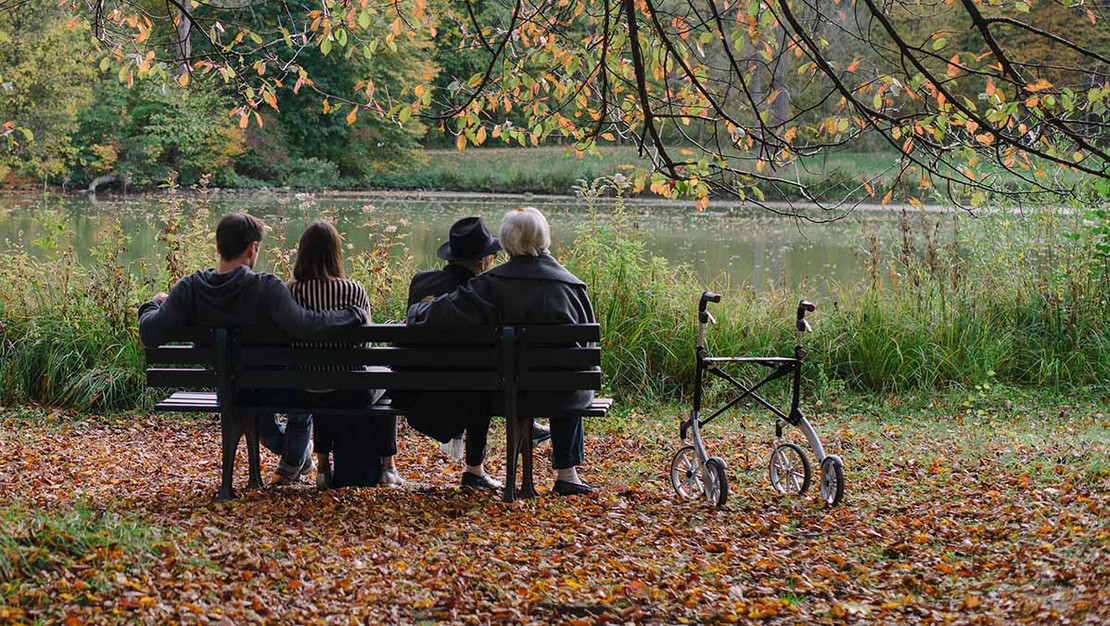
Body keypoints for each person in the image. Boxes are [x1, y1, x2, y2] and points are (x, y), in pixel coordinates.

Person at [138, 213, 367, 485]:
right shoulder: (266, 287)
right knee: (295, 403)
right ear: (252, 249)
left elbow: (150, 333)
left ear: (219, 248)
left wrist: (153, 303)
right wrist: (350, 314)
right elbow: (307, 326)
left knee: (255, 405)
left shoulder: (189, 288)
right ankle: (295, 459)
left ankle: (294, 459)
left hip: (227, 388)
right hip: (272, 390)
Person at [407, 207, 596, 496]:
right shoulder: (572, 285)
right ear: (544, 239)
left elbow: (442, 313)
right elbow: (587, 350)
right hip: (564, 394)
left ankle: (481, 469)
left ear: (507, 243)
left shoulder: (489, 285)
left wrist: (419, 309)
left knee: (512, 377)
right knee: (566, 372)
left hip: (504, 394)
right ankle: (567, 474)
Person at [286, 221, 402, 488]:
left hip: (303, 389)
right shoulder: (353, 290)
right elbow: (366, 349)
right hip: (351, 389)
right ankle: (388, 467)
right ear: (336, 253)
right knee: (385, 383)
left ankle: (323, 468)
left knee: (323, 390)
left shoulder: (289, 291)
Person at [401, 217, 505, 490]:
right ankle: (474, 470)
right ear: (483, 261)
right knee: (480, 381)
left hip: (418, 392)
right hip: (468, 395)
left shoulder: (421, 282)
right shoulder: (481, 292)